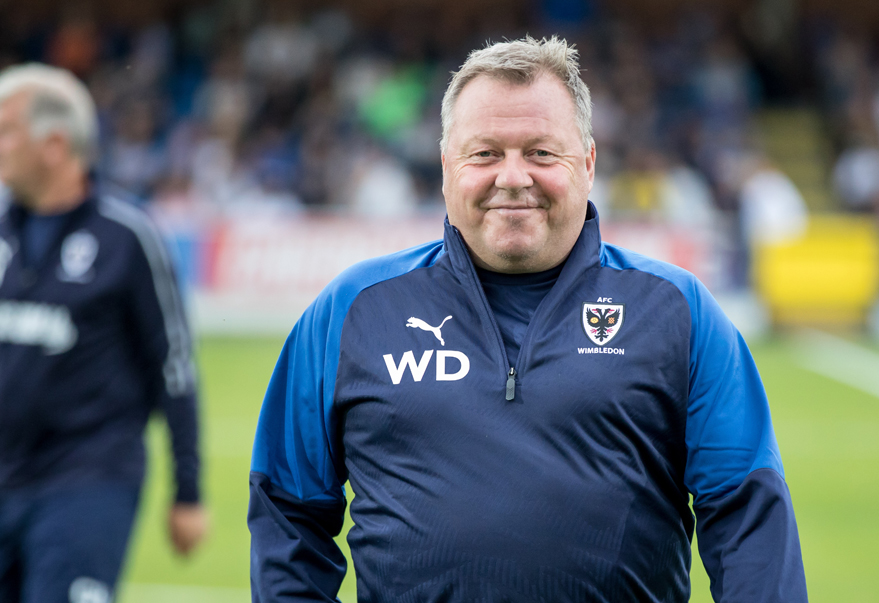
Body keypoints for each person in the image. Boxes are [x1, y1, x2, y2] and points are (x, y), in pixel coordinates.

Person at [249, 37, 806, 602]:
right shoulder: (352, 309)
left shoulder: (678, 310)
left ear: (588, 164)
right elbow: (288, 509)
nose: (513, 177)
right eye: (484, 154)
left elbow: (747, 517)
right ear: (446, 167)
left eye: (540, 153)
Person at [0, 64, 208, 602]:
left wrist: (188, 490)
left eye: (7, 131)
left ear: (54, 144)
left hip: (89, 480)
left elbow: (174, 366)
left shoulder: (127, 237)